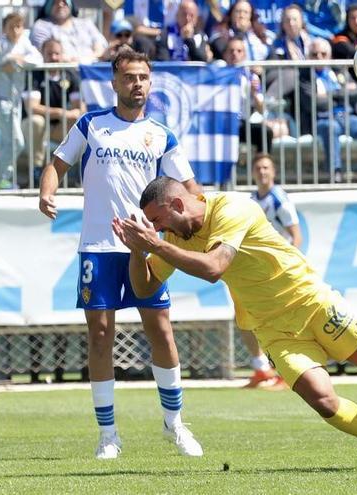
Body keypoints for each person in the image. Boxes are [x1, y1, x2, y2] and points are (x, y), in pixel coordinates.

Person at [112, 176, 357, 468]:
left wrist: (156, 245)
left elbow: (215, 268)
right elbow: (145, 288)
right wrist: (137, 250)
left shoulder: (231, 208)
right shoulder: (173, 236)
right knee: (324, 401)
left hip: (311, 300)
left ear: (178, 203)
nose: (157, 229)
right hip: (273, 329)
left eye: (158, 219)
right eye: (152, 225)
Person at [38, 49, 204, 460]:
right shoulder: (92, 125)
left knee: (161, 331)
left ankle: (174, 423)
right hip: (99, 245)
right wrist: (47, 190)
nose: (138, 84)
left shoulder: (162, 135)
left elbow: (190, 188)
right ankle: (108, 434)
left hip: (145, 245)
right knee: (99, 335)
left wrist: (183, 222)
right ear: (114, 82)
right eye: (130, 77)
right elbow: (57, 163)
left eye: (144, 77)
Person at [241, 153, 301, 389]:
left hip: (277, 270)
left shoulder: (279, 199)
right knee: (244, 318)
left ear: (273, 172)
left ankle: (289, 373)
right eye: (258, 168)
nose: (262, 172)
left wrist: (286, 265)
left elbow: (296, 236)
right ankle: (261, 370)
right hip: (257, 270)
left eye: (266, 167)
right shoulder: (252, 200)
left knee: (280, 322)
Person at [298, 37, 357, 183]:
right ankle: (335, 172)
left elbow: (356, 93)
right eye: (315, 54)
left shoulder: (339, 70)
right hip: (323, 119)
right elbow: (312, 102)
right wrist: (342, 93)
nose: (319, 58)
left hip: (349, 117)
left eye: (323, 54)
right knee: (330, 127)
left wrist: (330, 95)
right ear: (309, 56)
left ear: (329, 55)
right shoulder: (305, 76)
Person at [0, 12, 42, 189]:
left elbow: (37, 60)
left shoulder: (24, 44)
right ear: (5, 28)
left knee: (8, 141)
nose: (16, 30)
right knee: (16, 142)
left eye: (19, 26)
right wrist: (4, 63)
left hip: (14, 100)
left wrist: (19, 60)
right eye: (12, 26)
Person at [22, 38, 85, 183]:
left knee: (80, 122)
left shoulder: (70, 74)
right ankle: (36, 170)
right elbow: (32, 107)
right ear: (42, 54)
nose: (54, 58)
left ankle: (73, 172)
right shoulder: (35, 74)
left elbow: (79, 107)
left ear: (62, 54)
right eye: (49, 54)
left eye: (57, 53)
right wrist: (62, 113)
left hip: (58, 127)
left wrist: (74, 113)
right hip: (36, 127)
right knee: (36, 121)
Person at [30, 0, 107, 64]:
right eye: (55, 2)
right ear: (49, 6)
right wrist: (71, 62)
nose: (60, 4)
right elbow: (46, 54)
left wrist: (83, 60)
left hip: (91, 74)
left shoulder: (86, 23)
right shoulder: (41, 26)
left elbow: (100, 49)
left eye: (64, 1)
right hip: (63, 76)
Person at [209, 0, 273, 61]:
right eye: (238, 11)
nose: (241, 15)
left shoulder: (260, 34)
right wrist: (241, 31)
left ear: (251, 16)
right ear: (231, 14)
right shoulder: (220, 32)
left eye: (246, 12)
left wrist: (262, 69)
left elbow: (272, 54)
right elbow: (224, 51)